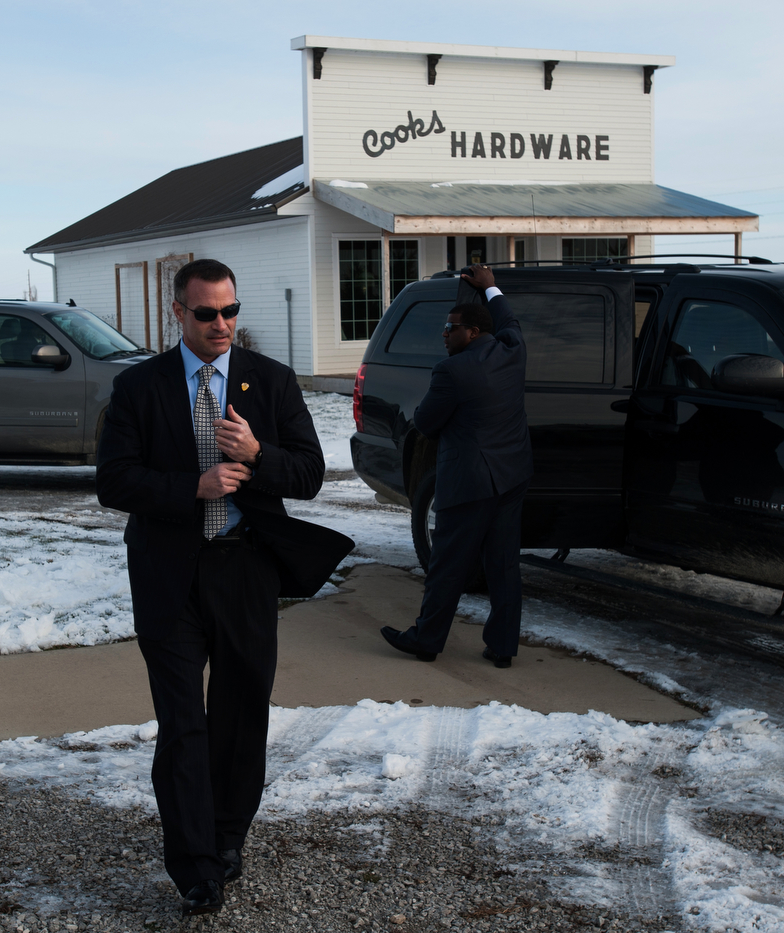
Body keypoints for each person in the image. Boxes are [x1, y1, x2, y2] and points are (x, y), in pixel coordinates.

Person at [96, 258, 350, 916]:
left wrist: (259, 455)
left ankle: (228, 837)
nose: (221, 324)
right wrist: (194, 487)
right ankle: (196, 866)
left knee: (241, 715)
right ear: (176, 313)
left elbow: (310, 473)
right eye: (207, 313)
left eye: (231, 311)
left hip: (244, 569)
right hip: (169, 573)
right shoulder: (139, 388)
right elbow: (114, 480)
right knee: (183, 723)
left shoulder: (269, 381)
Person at [380, 263, 532, 668]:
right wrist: (491, 289)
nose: (444, 335)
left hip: (468, 483)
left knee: (448, 564)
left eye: (451, 329)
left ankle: (426, 639)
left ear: (473, 333)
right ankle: (502, 648)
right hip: (511, 475)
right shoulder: (513, 350)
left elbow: (427, 423)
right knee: (503, 565)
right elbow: (508, 320)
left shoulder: (452, 371)